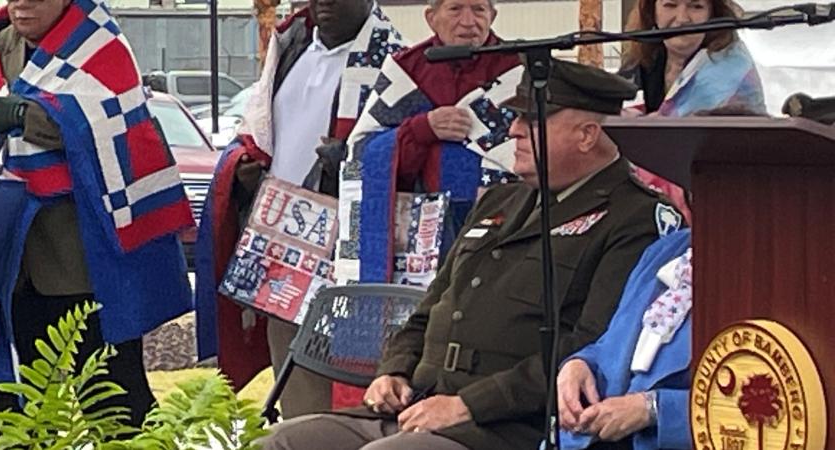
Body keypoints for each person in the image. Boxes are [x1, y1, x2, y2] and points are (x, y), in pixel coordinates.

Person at [260, 60, 671, 450]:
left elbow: (593, 348)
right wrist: (395, 370)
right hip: (421, 403)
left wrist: (468, 406)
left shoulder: (633, 218)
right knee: (281, 443)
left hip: (508, 426)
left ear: (586, 135)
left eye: (533, 120)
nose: (513, 131)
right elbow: (432, 305)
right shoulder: (502, 200)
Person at [0, 0, 198, 426]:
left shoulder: (98, 44)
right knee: (21, 403)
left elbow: (112, 125)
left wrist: (27, 115)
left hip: (83, 258)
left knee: (114, 397)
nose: (21, 4)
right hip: (11, 257)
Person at [193, 0, 405, 418]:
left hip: (350, 257)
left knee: (351, 398)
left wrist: (353, 161)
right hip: (281, 250)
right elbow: (262, 132)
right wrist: (248, 172)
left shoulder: (396, 63)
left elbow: (411, 151)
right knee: (296, 394)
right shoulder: (291, 48)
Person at [336, 0, 523, 287]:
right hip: (420, 228)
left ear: (493, 16)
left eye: (478, 10)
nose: (468, 21)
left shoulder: (518, 68)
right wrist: (422, 129)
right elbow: (364, 151)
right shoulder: (405, 69)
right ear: (431, 17)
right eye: (455, 9)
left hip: (503, 219)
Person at [618, 0, 765, 219]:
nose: (682, 18)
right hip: (642, 208)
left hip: (720, 207)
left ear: (713, 14)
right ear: (652, 11)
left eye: (696, 7)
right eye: (670, 5)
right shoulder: (642, 59)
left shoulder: (732, 68)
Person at [556, 229, 692, 450]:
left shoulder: (759, 268)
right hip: (589, 439)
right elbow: (612, 343)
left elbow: (755, 409)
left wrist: (653, 409)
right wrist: (579, 364)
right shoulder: (665, 250)